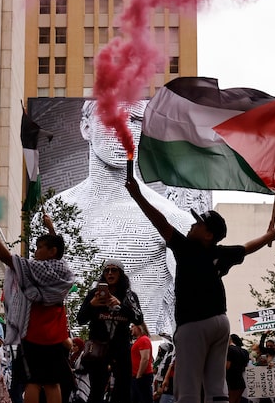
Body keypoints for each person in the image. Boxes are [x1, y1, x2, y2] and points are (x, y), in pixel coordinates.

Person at [125, 177, 275, 403]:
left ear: (208, 234)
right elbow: (247, 247)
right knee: (216, 384)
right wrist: (268, 237)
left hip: (193, 324)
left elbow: (160, 223)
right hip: (220, 322)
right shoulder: (220, 253)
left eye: (198, 224)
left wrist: (138, 196)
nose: (192, 225)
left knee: (188, 383)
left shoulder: (187, 248)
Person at [46, 100, 194, 333]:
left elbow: (191, 301)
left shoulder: (174, 220)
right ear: (86, 128)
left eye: (135, 120)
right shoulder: (53, 213)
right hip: (73, 353)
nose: (123, 130)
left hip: (137, 356)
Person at [0, 213, 75, 403]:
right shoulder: (63, 270)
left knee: (33, 384)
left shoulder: (38, 268)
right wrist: (51, 227)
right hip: (56, 334)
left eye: (40, 247)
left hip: (34, 332)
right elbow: (59, 248)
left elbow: (7, 258)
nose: (35, 252)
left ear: (51, 252)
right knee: (53, 384)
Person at [76, 259, 143, 403]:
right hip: (99, 350)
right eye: (107, 270)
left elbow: (139, 318)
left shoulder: (129, 296)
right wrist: (93, 304)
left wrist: (121, 305)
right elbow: (80, 319)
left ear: (121, 274)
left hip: (121, 349)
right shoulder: (94, 294)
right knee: (96, 390)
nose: (110, 273)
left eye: (114, 270)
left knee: (124, 392)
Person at [130, 322, 168, 403]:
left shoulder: (144, 340)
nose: (131, 329)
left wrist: (139, 375)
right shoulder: (139, 340)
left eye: (133, 326)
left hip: (142, 376)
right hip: (137, 376)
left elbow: (145, 358)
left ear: (139, 327)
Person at [226, 334, 249, 403]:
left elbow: (227, 366)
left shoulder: (229, 350)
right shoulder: (243, 351)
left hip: (231, 381)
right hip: (240, 380)